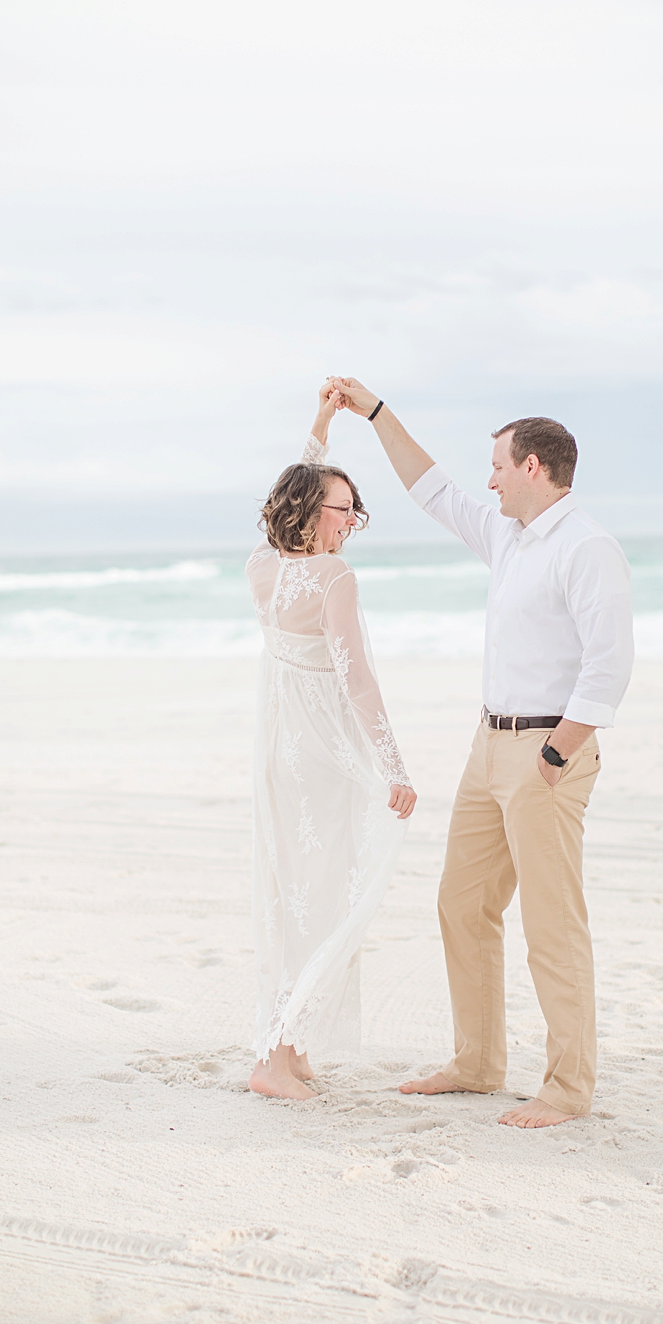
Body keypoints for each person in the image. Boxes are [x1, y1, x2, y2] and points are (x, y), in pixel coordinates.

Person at [323, 376, 632, 1129]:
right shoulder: (508, 535)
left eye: (497, 464)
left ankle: (566, 1086)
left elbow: (610, 665)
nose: (486, 478)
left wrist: (555, 756)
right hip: (486, 745)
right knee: (462, 903)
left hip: (544, 754)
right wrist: (373, 413)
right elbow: (431, 488)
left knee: (552, 924)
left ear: (533, 467)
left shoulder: (588, 547)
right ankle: (478, 1060)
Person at [245, 389, 418, 1101]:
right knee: (324, 896)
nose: (352, 520)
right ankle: (275, 1059)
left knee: (296, 892)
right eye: (341, 508)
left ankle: (291, 1043)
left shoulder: (263, 566)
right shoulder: (333, 577)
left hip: (280, 754)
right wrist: (394, 766)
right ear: (312, 514)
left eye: (354, 508)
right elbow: (359, 680)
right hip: (321, 757)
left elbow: (295, 483)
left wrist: (319, 431)